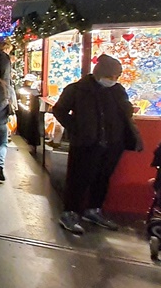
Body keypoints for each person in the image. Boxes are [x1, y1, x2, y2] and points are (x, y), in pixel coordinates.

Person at [52, 54, 142, 234]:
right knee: (78, 179)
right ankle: (70, 213)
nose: (113, 80)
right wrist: (76, 128)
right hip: (86, 144)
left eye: (116, 77)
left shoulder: (117, 90)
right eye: (110, 76)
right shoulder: (76, 90)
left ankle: (94, 209)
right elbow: (59, 110)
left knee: (102, 179)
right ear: (100, 73)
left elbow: (124, 109)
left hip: (113, 143)